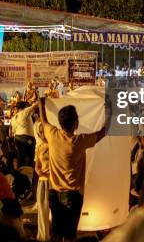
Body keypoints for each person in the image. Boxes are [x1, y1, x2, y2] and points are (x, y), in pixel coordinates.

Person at [38, 99, 106, 241]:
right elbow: (102, 132)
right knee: (70, 235)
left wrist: (41, 103)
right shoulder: (79, 141)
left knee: (57, 232)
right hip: (73, 196)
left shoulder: (52, 134)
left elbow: (43, 121)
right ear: (75, 123)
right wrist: (111, 112)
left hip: (54, 193)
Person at [34, 121, 51, 241]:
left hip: (54, 181)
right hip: (42, 180)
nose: (41, 133)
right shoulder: (39, 147)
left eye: (43, 130)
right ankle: (43, 236)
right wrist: (38, 170)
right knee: (42, 209)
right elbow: (37, 165)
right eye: (40, 131)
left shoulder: (55, 145)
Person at [10, 101, 38, 168]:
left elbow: (13, 130)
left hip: (17, 139)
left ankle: (21, 174)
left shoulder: (13, 118)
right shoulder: (24, 112)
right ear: (25, 107)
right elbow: (35, 105)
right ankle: (30, 174)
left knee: (21, 159)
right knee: (31, 158)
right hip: (26, 139)